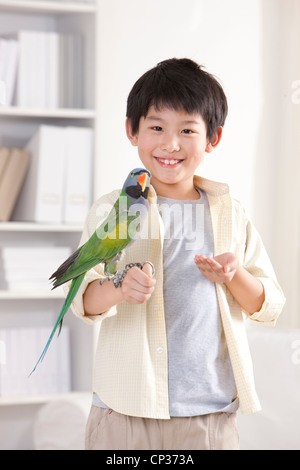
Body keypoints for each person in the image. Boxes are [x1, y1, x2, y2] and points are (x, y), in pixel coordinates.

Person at [66, 58, 285, 450]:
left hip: (209, 418)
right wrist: (119, 288)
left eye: (187, 129)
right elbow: (83, 301)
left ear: (212, 138)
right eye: (156, 127)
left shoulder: (231, 214)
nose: (170, 144)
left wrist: (233, 276)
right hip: (125, 414)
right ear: (132, 131)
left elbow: (267, 304)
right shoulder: (109, 210)